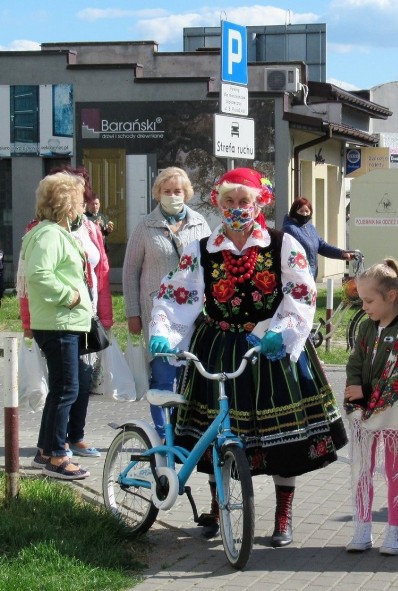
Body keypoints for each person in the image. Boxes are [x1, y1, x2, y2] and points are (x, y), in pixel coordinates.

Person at [149, 167, 348, 547]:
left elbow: (301, 293)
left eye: (244, 201)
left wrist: (282, 332)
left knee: (280, 439)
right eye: (229, 202)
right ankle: (217, 504)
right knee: (212, 432)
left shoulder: (282, 243)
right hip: (219, 344)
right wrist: (163, 334)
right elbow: (178, 295)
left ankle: (282, 513)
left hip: (269, 346)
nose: (236, 208)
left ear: (259, 203)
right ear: (218, 204)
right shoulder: (202, 249)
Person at [20, 166, 114, 460]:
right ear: (66, 204)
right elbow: (38, 275)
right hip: (59, 321)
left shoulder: (62, 231)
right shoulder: (48, 234)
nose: (82, 206)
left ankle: (46, 450)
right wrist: (71, 296)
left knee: (68, 387)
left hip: (71, 321)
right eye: (78, 201)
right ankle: (57, 454)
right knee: (66, 390)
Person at [343, 258, 398, 556]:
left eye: (368, 300)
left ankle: (393, 531)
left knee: (395, 472)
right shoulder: (367, 329)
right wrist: (355, 389)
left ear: (391, 296)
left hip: (397, 416)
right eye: (361, 300)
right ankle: (362, 527)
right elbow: (355, 361)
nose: (364, 307)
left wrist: (365, 390)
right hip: (364, 412)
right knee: (361, 470)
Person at [123, 167, 211, 440]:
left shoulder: (200, 223)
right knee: (162, 377)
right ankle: (162, 434)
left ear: (187, 193)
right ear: (157, 193)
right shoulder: (145, 226)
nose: (173, 196)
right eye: (167, 191)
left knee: (187, 375)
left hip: (193, 314)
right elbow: (129, 271)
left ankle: (182, 430)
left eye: (178, 191)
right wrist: (132, 314)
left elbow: (210, 264)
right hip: (156, 313)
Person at [282, 196, 356, 279]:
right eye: (301, 211)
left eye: (307, 211)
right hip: (297, 278)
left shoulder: (310, 228)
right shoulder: (289, 229)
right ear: (294, 212)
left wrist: (342, 254)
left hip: (311, 275)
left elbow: (322, 246)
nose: (304, 214)